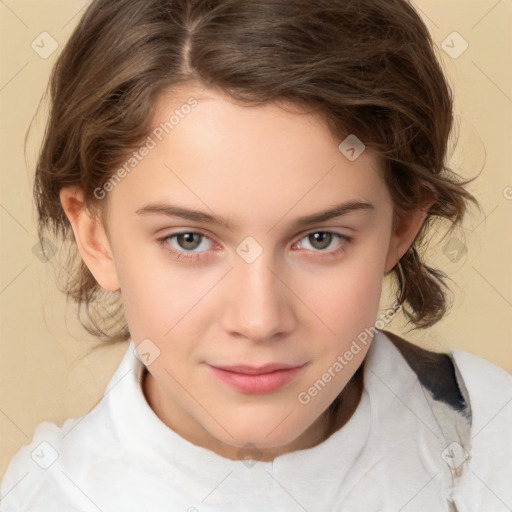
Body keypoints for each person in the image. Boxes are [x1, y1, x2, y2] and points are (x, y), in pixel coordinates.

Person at [1, 0, 511, 510]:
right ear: (95, 235)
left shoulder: (496, 447)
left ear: (401, 226)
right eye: (189, 240)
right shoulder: (44, 497)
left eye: (320, 239)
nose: (259, 320)